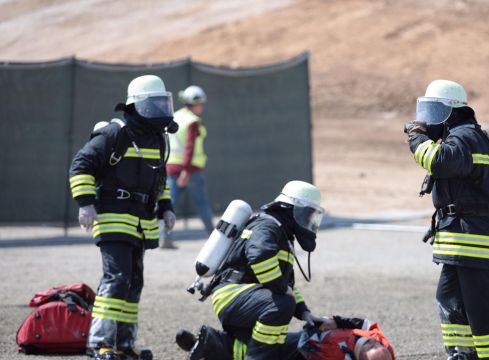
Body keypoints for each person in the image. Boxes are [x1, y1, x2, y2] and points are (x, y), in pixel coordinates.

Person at [404, 80, 489, 360]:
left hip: (474, 240)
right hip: (459, 241)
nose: (426, 120)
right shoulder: (459, 135)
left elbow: (440, 161)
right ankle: (464, 354)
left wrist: (417, 137)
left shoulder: (466, 137)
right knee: (450, 301)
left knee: (484, 313)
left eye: (433, 112)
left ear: (451, 111)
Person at [68, 74, 177, 360]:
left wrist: (166, 207)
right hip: (114, 219)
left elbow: (159, 179)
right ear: (136, 105)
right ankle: (100, 343)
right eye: (153, 105)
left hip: (141, 223)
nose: (160, 111)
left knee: (133, 282)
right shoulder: (115, 134)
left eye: (162, 104)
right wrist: (85, 203)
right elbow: (81, 166)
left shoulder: (158, 138)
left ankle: (124, 344)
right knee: (116, 278)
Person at [184, 180, 327, 359]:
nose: (309, 222)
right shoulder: (267, 226)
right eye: (308, 215)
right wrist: (282, 290)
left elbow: (288, 286)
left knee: (279, 343)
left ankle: (213, 345)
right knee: (282, 305)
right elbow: (259, 256)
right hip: (233, 295)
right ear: (292, 210)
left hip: (249, 298)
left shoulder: (283, 235)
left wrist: (305, 313)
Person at [175, 316, 394, 360]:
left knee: (266, 349)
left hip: (307, 353)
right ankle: (208, 344)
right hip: (309, 340)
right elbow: (359, 322)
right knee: (265, 342)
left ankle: (207, 346)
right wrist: (332, 321)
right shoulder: (375, 339)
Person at [164, 85, 214, 248]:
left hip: (171, 167)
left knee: (168, 204)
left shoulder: (175, 116)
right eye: (201, 103)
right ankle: (215, 238)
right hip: (190, 170)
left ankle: (166, 238)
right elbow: (190, 146)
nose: (203, 106)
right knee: (202, 205)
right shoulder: (192, 121)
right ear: (195, 103)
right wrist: (186, 170)